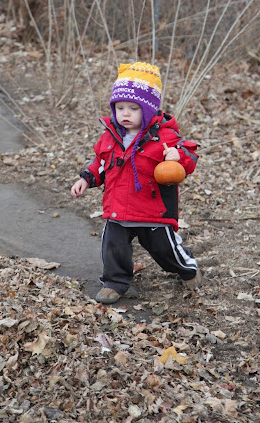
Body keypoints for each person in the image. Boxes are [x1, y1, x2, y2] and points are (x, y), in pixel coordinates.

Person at [71, 62, 202, 304]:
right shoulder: (110, 136)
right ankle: (114, 282)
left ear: (148, 110)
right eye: (120, 107)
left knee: (165, 251)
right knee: (113, 248)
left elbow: (190, 155)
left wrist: (178, 156)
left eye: (133, 108)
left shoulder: (164, 136)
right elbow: (101, 163)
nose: (125, 114)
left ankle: (187, 267)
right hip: (118, 209)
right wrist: (86, 179)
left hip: (153, 211)